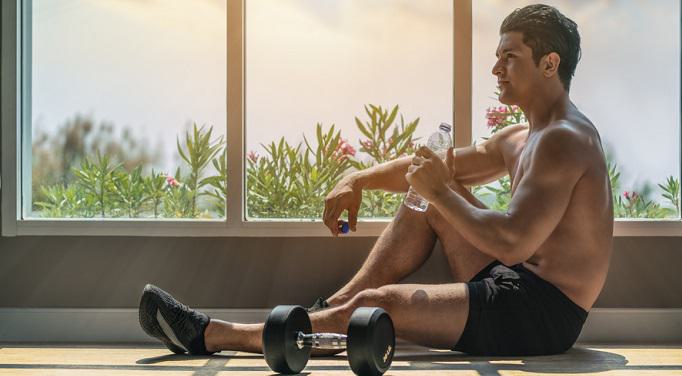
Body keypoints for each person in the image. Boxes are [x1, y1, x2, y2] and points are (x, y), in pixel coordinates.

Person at [138, 4, 613, 357]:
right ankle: (334, 312)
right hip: (513, 284)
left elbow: (512, 242)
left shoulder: (565, 141)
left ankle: (210, 334)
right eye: (496, 57)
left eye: (508, 57)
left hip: (542, 315)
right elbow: (429, 167)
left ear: (549, 64)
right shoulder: (520, 135)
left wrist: (441, 191)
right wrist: (357, 177)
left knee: (379, 303)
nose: (494, 69)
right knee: (419, 198)